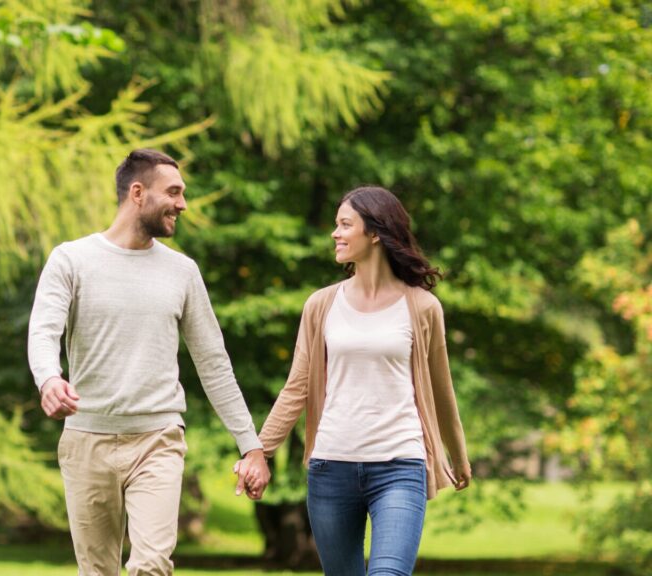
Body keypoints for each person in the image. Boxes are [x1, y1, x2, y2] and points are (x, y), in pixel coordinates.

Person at [28, 149, 270, 576]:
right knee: (98, 569)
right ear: (137, 193)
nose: (183, 204)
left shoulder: (182, 271)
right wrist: (49, 379)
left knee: (153, 565)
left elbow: (213, 362)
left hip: (158, 438)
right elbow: (43, 331)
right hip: (87, 438)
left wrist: (250, 443)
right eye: (173, 192)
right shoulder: (71, 259)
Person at [235, 186, 471, 576]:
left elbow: (441, 388)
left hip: (400, 464)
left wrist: (457, 455)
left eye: (345, 224)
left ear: (375, 232)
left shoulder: (423, 307)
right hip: (332, 467)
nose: (335, 234)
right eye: (336, 225)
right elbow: (298, 387)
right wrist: (260, 451)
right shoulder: (322, 304)